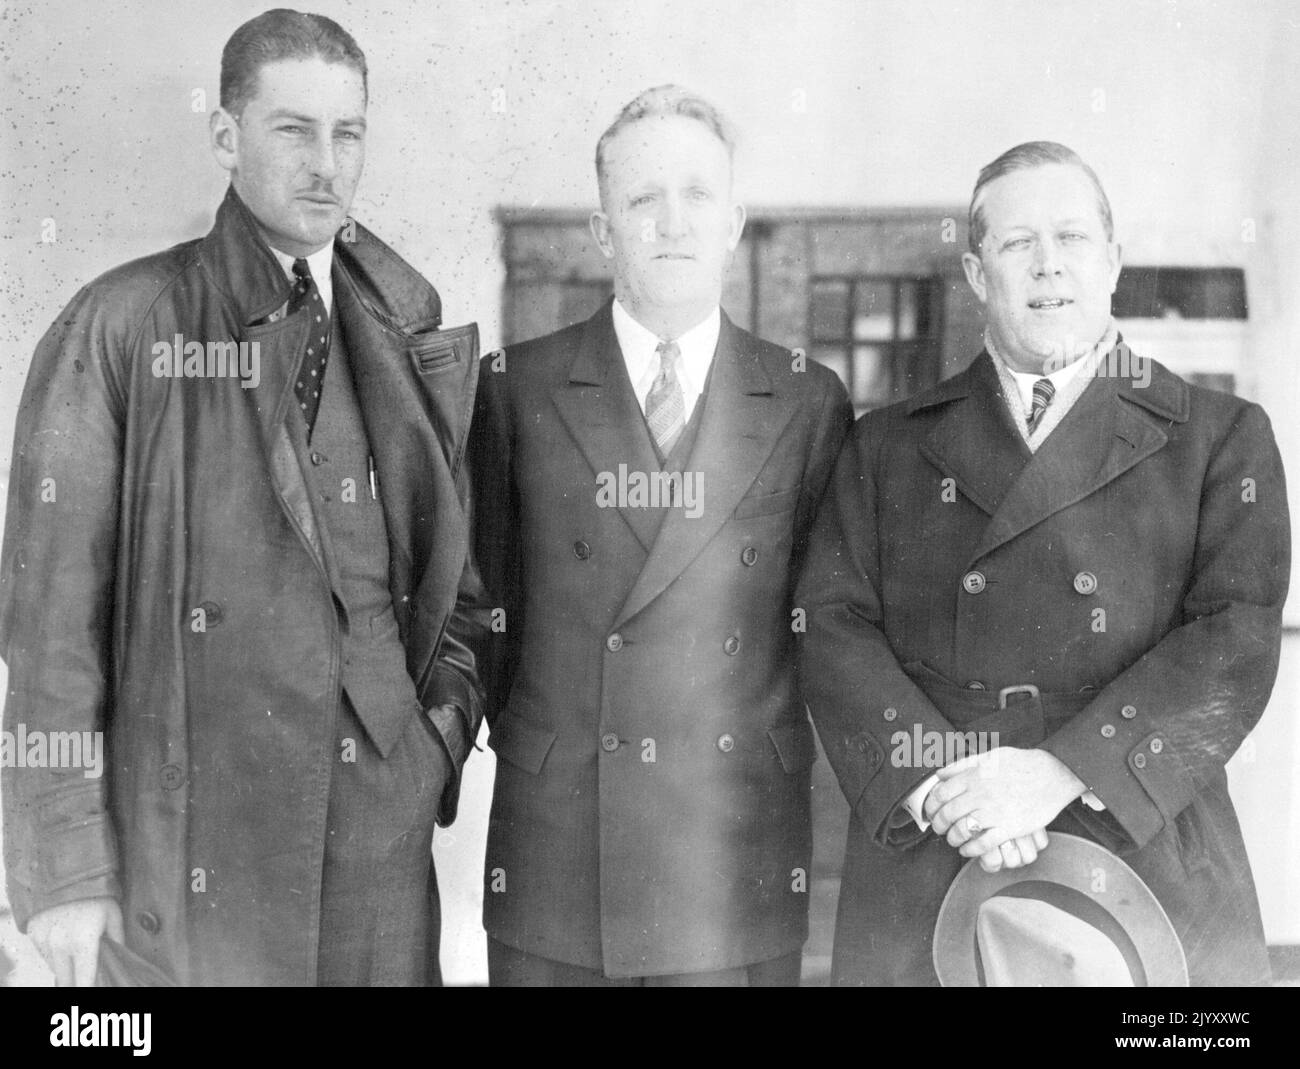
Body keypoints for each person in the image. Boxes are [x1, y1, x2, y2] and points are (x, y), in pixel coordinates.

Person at [0, 8, 486, 986]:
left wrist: (434, 736)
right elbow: (49, 624)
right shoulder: (120, 325)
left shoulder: (403, 330)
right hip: (194, 840)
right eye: (292, 129)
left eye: (348, 132)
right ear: (226, 137)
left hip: (377, 843)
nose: (327, 164)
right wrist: (66, 874)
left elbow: (456, 587)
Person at [796, 140, 1290, 986]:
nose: (1049, 266)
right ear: (978, 275)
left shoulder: (1219, 436)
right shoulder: (886, 446)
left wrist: (1061, 772)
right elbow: (832, 626)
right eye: (1019, 244)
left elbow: (1235, 643)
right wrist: (945, 783)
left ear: (1113, 262)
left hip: (1143, 829)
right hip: (944, 836)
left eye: (1071, 239)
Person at [470, 85, 852, 986]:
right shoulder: (513, 389)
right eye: (642, 199)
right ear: (603, 231)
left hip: (730, 846)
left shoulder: (806, 398)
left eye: (698, 196)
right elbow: (481, 612)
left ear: (734, 222)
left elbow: (827, 626)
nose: (672, 223)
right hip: (560, 848)